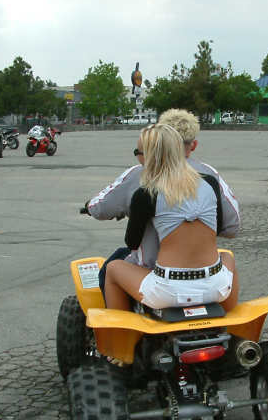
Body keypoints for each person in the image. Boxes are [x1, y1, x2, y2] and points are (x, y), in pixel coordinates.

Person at [86, 108, 240, 293]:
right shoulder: (209, 177)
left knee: (110, 269)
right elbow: (231, 227)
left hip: (159, 275)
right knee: (227, 257)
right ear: (192, 145)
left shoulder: (141, 181)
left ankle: (116, 313)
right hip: (207, 273)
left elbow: (102, 210)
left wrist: (90, 207)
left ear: (154, 147)